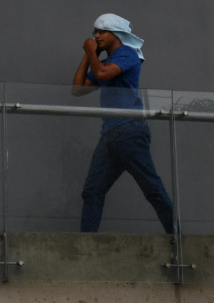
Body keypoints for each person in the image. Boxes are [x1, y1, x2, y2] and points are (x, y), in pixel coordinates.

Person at [72, 13, 174, 234]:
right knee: (92, 190)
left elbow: (101, 73)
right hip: (110, 134)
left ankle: (177, 238)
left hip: (129, 131)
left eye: (101, 32)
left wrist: (91, 52)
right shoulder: (105, 60)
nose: (96, 36)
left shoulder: (128, 55)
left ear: (115, 34)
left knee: (151, 188)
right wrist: (89, 55)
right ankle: (86, 243)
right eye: (94, 32)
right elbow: (77, 89)